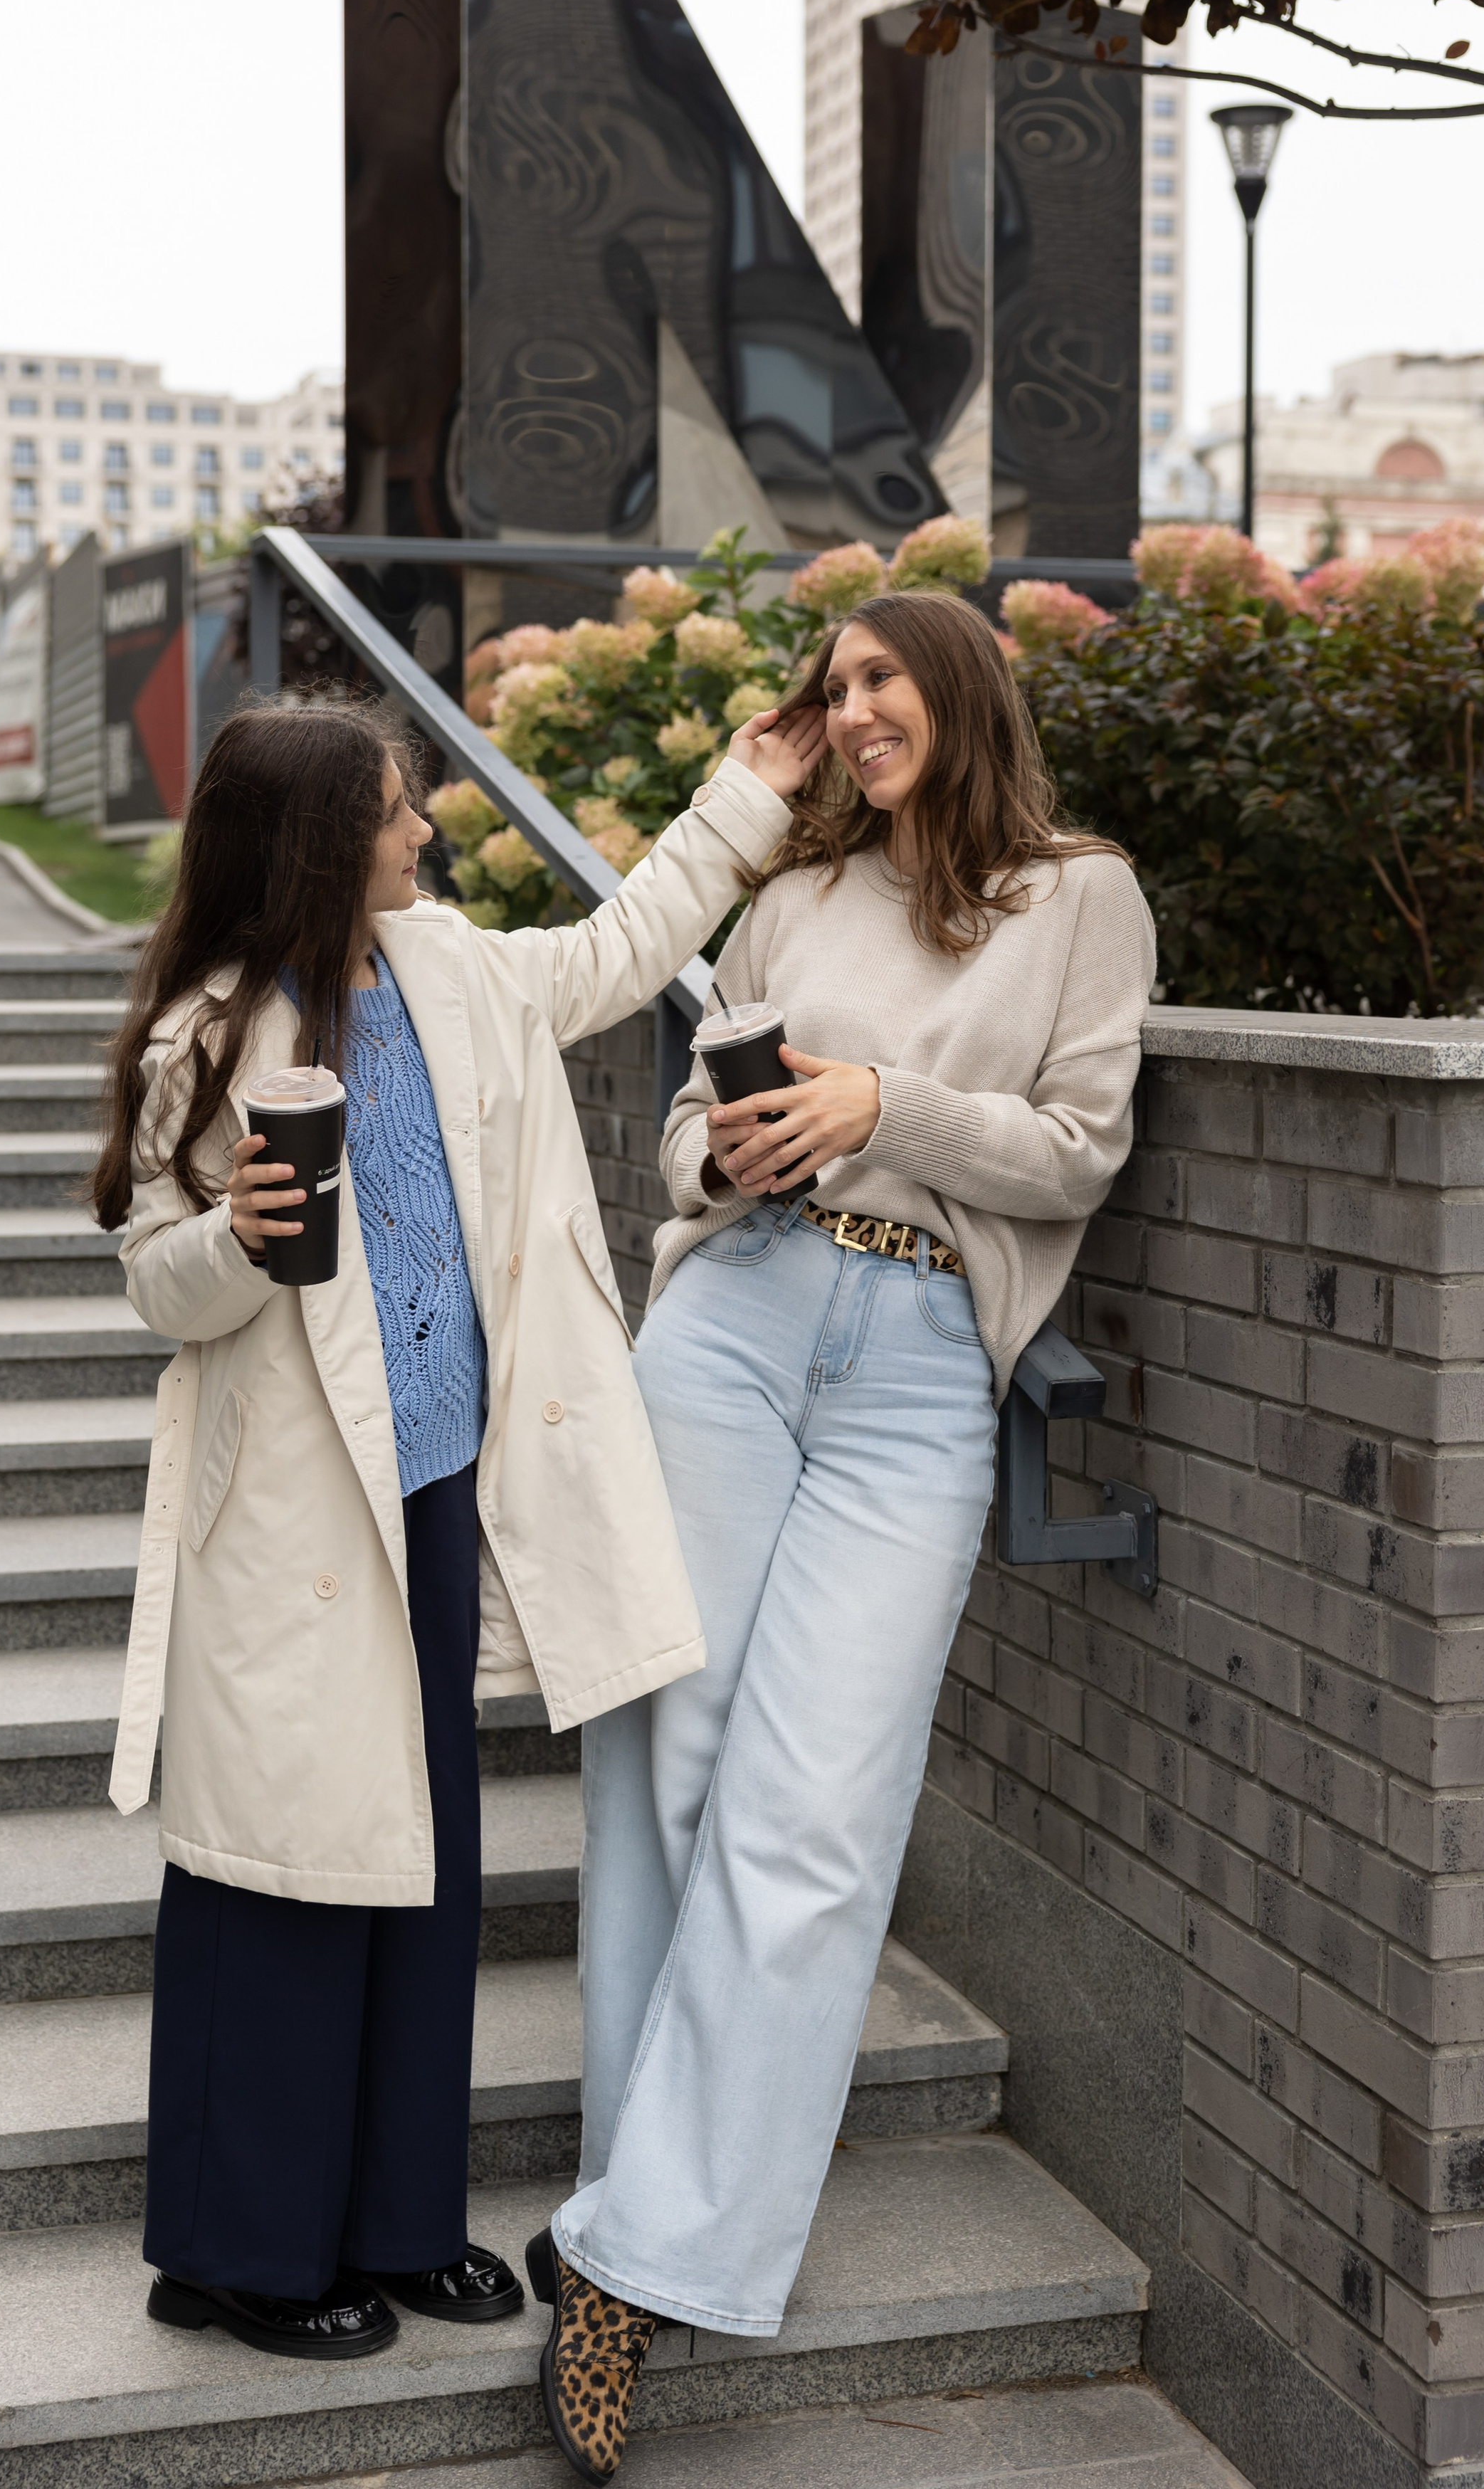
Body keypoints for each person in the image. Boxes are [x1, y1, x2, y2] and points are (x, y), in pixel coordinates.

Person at [90, 688, 820, 2363]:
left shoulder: (457, 972)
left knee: (422, 1871)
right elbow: (155, 1276)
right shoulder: (206, 1036)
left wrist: (747, 790)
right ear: (317, 844)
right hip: (287, 1517)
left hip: (437, 1497)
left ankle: (398, 2222)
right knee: (280, 1870)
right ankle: (232, 2252)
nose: (424, 831)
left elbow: (623, 949)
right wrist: (235, 1238)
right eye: (397, 811)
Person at [528, 591, 1156, 2480]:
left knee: (816, 1807)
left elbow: (1076, 1154)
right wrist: (724, 1153)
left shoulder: (1083, 897)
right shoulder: (790, 896)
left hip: (910, 1373)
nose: (854, 711)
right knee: (670, 1755)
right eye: (833, 690)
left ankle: (644, 2250)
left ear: (962, 689)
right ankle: (624, 2223)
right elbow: (674, 1141)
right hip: (729, 1325)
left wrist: (894, 1107)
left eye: (882, 681)